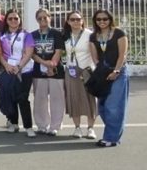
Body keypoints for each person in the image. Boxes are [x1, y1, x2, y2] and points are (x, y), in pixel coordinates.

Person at [88, 9, 129, 147]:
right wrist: (101, 70)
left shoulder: (119, 33)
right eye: (98, 19)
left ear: (110, 19)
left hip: (119, 73)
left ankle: (111, 138)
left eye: (105, 19)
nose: (102, 22)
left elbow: (122, 55)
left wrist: (116, 71)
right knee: (102, 107)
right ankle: (113, 131)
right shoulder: (94, 36)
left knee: (114, 106)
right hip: (102, 74)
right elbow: (95, 57)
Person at [0, 9, 35, 137]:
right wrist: (6, 65)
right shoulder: (2, 35)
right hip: (9, 70)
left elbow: (28, 52)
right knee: (11, 97)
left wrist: (19, 66)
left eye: (16, 18)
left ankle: (28, 127)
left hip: (24, 71)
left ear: (20, 20)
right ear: (6, 21)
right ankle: (13, 123)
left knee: (23, 98)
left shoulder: (26, 35)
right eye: (10, 18)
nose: (13, 21)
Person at [61, 10, 97, 139]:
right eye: (72, 19)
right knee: (73, 99)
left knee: (90, 99)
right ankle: (77, 128)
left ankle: (91, 128)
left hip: (87, 70)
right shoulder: (65, 35)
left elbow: (95, 53)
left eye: (78, 19)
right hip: (71, 71)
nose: (76, 22)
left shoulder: (90, 35)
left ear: (82, 20)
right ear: (68, 22)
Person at [31, 8, 65, 136]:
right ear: (37, 20)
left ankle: (55, 126)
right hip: (38, 71)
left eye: (45, 17)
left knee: (57, 99)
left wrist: (52, 65)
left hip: (56, 71)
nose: (43, 20)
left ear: (50, 18)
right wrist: (44, 63)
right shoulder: (33, 35)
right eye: (40, 18)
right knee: (40, 99)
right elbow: (32, 53)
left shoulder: (56, 34)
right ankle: (41, 125)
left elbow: (58, 50)